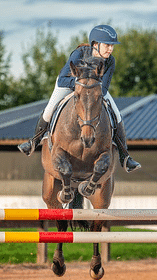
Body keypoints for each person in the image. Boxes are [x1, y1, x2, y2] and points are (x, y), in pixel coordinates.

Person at [18, 25, 141, 173]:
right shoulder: (79, 53)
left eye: (112, 46)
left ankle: (125, 157)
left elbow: (104, 88)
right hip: (68, 85)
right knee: (49, 110)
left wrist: (90, 88)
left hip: (95, 89)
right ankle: (33, 142)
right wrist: (80, 86)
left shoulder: (110, 61)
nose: (110, 49)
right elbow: (62, 80)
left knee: (117, 115)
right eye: (107, 45)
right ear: (96, 44)